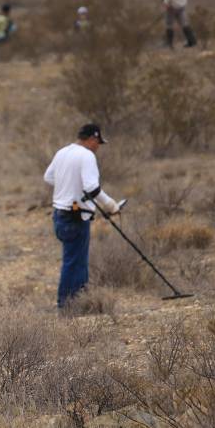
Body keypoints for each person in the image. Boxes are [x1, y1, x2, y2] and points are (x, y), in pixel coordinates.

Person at [43, 124, 124, 309]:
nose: (98, 147)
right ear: (92, 139)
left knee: (74, 260)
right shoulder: (87, 156)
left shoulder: (62, 152)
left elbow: (48, 177)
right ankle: (68, 306)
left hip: (59, 215)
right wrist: (111, 205)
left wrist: (69, 185)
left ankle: (77, 303)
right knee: (75, 263)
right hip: (75, 217)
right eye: (98, 143)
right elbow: (91, 187)